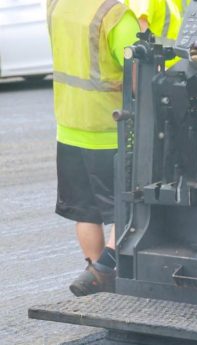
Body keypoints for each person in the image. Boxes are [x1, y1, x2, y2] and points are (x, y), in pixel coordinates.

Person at [47, 0, 141, 296]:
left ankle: (95, 272)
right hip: (109, 129)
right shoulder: (115, 15)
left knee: (85, 211)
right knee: (125, 208)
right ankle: (104, 267)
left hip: (70, 124)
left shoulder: (56, 5)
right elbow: (139, 77)